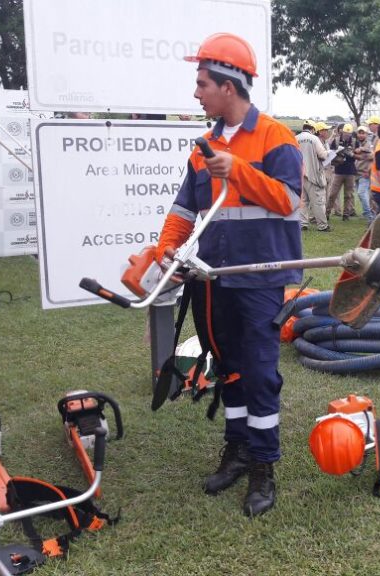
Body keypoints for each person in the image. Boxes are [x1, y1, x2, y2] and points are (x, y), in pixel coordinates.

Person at [156, 32, 302, 517]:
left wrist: (236, 169)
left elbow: (288, 200)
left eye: (202, 84)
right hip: (212, 283)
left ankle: (263, 465)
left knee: (260, 374)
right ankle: (237, 450)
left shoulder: (276, 138)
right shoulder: (204, 147)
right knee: (230, 369)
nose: (196, 93)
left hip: (260, 282)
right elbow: (183, 209)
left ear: (229, 86)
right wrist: (167, 249)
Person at [297, 120, 330, 232]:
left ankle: (302, 223)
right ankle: (322, 225)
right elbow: (323, 155)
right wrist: (329, 153)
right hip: (313, 174)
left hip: (299, 174)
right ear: (313, 129)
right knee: (318, 201)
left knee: (303, 201)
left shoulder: (295, 138)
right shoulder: (314, 139)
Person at [327, 123, 358, 220]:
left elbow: (358, 155)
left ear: (351, 133)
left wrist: (351, 154)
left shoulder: (354, 142)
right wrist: (339, 155)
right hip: (338, 171)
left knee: (348, 195)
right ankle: (326, 213)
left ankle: (346, 214)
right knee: (332, 194)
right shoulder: (335, 141)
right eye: (345, 133)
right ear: (342, 132)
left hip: (350, 171)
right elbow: (330, 154)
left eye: (349, 134)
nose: (347, 135)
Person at [352, 125, 376, 223]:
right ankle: (368, 213)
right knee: (362, 195)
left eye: (363, 133)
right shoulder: (356, 143)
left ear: (366, 134)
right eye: (359, 133)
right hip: (356, 173)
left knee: (361, 193)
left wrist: (361, 151)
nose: (361, 135)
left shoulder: (369, 144)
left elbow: (373, 155)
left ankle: (369, 215)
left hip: (364, 173)